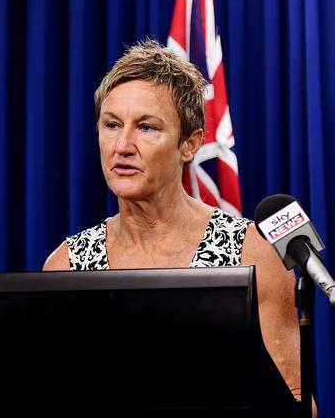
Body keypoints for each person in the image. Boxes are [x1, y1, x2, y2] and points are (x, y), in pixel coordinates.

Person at [43, 39, 307, 408]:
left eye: (146, 127)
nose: (122, 145)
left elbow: (295, 399)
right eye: (112, 124)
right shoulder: (66, 266)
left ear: (190, 144)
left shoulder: (251, 253)